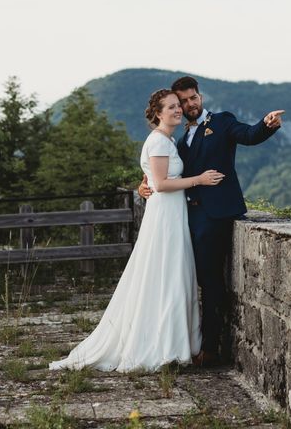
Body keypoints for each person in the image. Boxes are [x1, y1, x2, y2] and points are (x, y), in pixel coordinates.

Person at [49, 89, 224, 372]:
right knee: (164, 277)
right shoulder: (158, 141)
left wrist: (149, 186)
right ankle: (163, 348)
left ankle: (173, 345)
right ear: (158, 113)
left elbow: (151, 182)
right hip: (165, 217)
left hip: (171, 214)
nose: (178, 110)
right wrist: (199, 180)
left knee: (172, 278)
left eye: (178, 106)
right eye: (171, 107)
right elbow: (162, 184)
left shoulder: (168, 140)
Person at [139, 76, 283, 366]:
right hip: (185, 216)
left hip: (215, 215)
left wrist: (267, 125)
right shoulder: (179, 139)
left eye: (194, 98)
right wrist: (144, 185)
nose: (189, 105)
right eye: (183, 102)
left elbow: (248, 134)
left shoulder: (222, 121)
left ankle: (210, 348)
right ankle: (183, 341)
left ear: (200, 97)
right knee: (184, 279)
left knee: (210, 280)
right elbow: (165, 173)